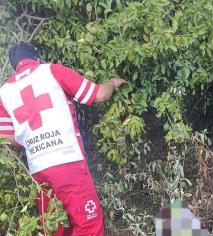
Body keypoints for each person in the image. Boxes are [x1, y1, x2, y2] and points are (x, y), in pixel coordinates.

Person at [0, 41, 127, 235]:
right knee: (88, 224)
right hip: (67, 161)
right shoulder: (52, 71)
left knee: (54, 228)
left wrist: (33, 141)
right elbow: (99, 95)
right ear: (37, 58)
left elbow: (6, 137)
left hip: (38, 170)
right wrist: (111, 83)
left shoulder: (4, 92)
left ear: (13, 66)